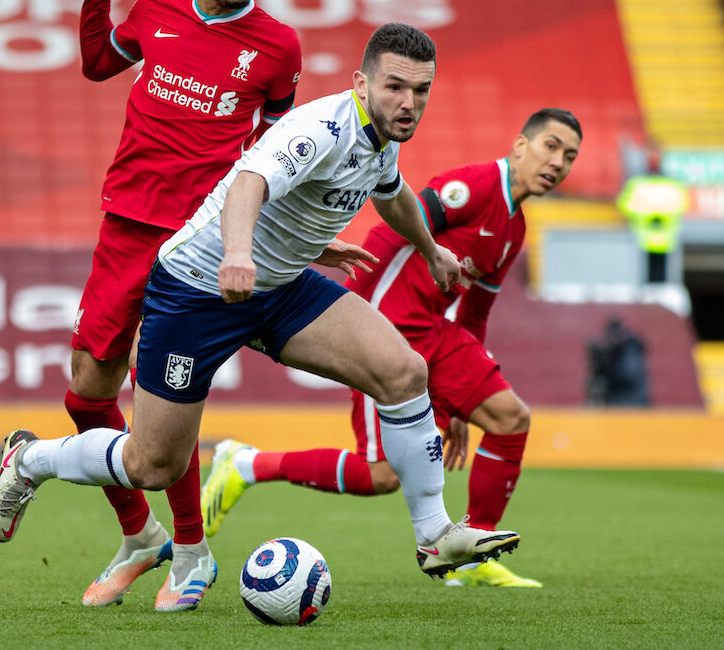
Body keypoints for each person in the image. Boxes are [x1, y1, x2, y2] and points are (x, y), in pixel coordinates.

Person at [0, 24, 523, 606]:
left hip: (280, 289)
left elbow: (391, 191)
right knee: (152, 465)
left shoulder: (383, 138)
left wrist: (430, 248)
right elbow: (248, 182)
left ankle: (434, 536)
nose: (409, 102)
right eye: (395, 87)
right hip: (198, 290)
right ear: (361, 83)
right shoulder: (320, 129)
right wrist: (238, 255)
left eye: (421, 91)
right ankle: (32, 458)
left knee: (404, 372)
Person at [200, 108, 583, 588]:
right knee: (382, 475)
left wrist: (463, 406)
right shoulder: (475, 186)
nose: (558, 162)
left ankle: (469, 551)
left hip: (437, 334)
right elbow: (398, 223)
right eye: (551, 146)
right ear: (521, 145)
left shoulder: (515, 229)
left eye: (569, 156)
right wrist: (363, 320)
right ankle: (247, 464)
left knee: (510, 419)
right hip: (393, 328)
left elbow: (476, 314)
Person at [16, 0, 302, 612]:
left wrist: (264, 232)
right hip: (126, 221)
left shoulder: (278, 46)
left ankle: (193, 551)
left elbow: (276, 152)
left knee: (163, 399)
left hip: (199, 237)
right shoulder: (156, 5)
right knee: (86, 390)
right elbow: (96, 66)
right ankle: (141, 537)